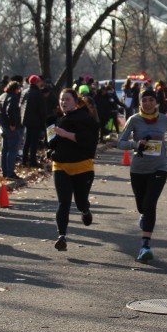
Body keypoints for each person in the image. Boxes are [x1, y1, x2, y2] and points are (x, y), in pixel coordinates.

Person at [117, 88, 167, 263]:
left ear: (156, 102)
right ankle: (143, 215)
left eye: (151, 100)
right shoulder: (134, 120)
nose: (148, 103)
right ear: (140, 102)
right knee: (142, 206)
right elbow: (120, 143)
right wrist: (136, 144)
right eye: (144, 100)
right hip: (138, 169)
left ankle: (145, 246)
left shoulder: (164, 119)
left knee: (150, 204)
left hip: (159, 168)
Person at [49, 88, 100, 251]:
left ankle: (85, 211)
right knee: (63, 202)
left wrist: (66, 134)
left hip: (82, 166)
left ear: (75, 102)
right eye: (61, 99)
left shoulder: (85, 119)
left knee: (80, 202)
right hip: (61, 166)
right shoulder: (59, 119)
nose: (63, 102)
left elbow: (88, 141)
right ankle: (61, 236)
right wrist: (50, 148)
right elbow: (53, 142)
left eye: (67, 99)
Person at [0, 80, 23, 179]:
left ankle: (4, 172)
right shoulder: (13, 98)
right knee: (12, 150)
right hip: (10, 127)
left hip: (3, 126)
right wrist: (12, 124)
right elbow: (10, 110)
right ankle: (10, 173)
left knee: (4, 150)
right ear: (16, 89)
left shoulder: (1, 96)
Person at [20, 74, 47, 167]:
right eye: (39, 81)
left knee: (27, 141)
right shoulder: (38, 93)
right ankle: (32, 161)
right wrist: (43, 121)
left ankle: (24, 160)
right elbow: (41, 109)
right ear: (37, 82)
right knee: (34, 142)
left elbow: (21, 105)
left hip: (26, 121)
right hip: (36, 121)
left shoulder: (24, 92)